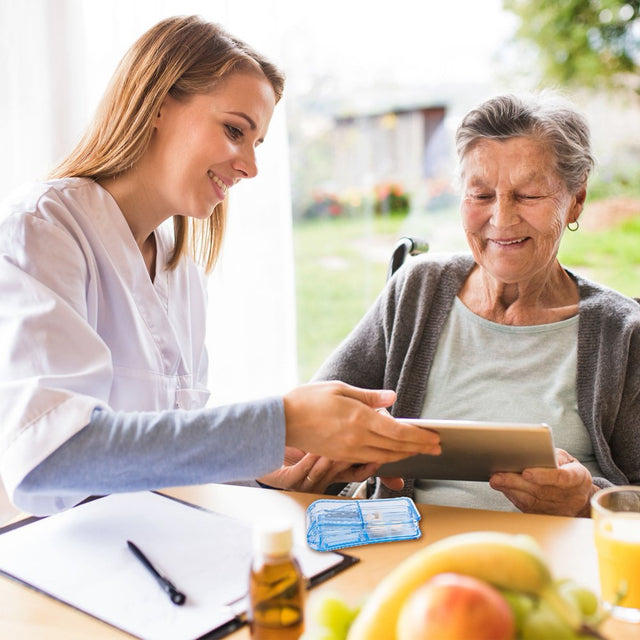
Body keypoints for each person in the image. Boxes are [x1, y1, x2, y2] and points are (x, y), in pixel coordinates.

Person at [0, 15, 440, 521]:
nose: (250, 166)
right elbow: (48, 457)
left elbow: (163, 450)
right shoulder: (42, 230)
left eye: (256, 144)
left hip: (156, 553)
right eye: (235, 130)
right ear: (158, 105)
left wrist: (265, 465)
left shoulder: (178, 268)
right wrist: (281, 422)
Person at [314, 92, 640, 517]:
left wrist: (587, 502)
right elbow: (315, 422)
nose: (502, 219)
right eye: (481, 195)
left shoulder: (623, 332)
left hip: (560, 564)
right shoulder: (417, 289)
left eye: (528, 195)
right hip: (407, 555)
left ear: (575, 198)